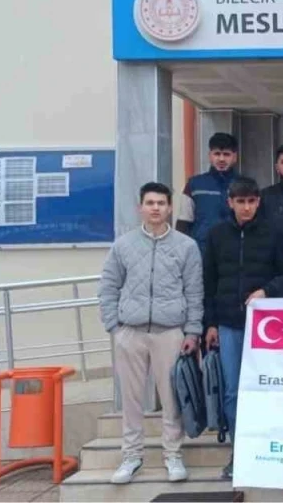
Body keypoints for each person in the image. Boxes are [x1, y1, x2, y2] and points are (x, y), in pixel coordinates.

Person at [98, 182, 203, 485]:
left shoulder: (186, 246)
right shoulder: (123, 245)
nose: (155, 208)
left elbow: (194, 292)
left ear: (169, 208)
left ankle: (173, 455)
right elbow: (108, 286)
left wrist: (192, 331)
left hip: (170, 333)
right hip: (130, 332)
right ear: (140, 207)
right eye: (150, 203)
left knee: (171, 398)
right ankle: (131, 456)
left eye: (161, 203)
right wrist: (114, 327)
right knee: (131, 399)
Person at [202, 177, 283, 480]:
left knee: (267, 390)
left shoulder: (275, 235)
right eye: (240, 201)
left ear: (259, 202)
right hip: (229, 326)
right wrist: (210, 324)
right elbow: (209, 283)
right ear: (230, 202)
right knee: (233, 392)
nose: (246, 207)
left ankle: (268, 451)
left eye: (251, 201)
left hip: (268, 329)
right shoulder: (216, 235)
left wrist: (266, 291)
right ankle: (240, 452)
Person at [178, 133, 239, 258]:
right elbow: (183, 223)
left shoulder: (244, 185)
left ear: (234, 157)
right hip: (201, 253)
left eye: (226, 154)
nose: (221, 159)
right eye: (217, 154)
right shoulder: (194, 184)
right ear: (210, 156)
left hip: (235, 253)